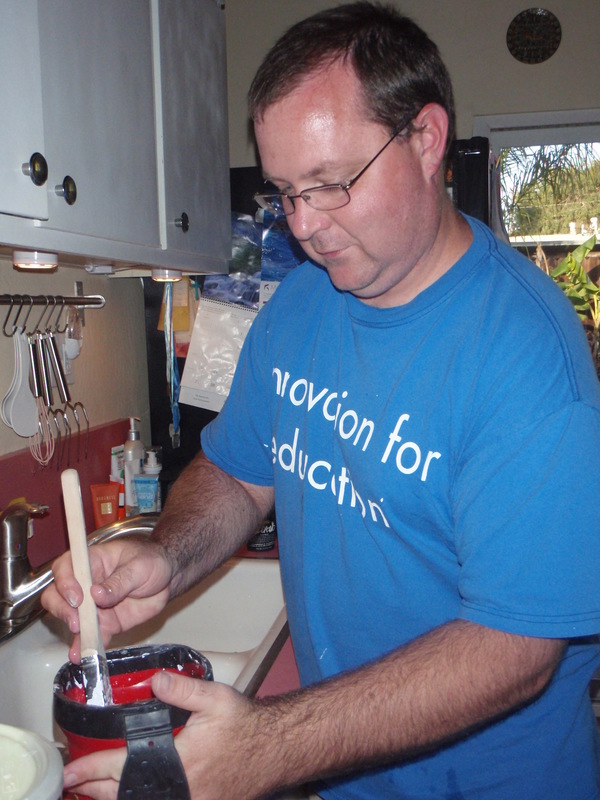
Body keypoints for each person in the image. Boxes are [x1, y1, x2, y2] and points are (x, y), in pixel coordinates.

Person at [42, 3, 600, 799]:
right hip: (345, 773)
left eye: (331, 184)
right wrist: (167, 555)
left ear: (426, 139)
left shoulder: (527, 358)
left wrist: (268, 745)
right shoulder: (303, 303)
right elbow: (240, 474)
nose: (304, 225)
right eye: (284, 192)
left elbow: (516, 648)